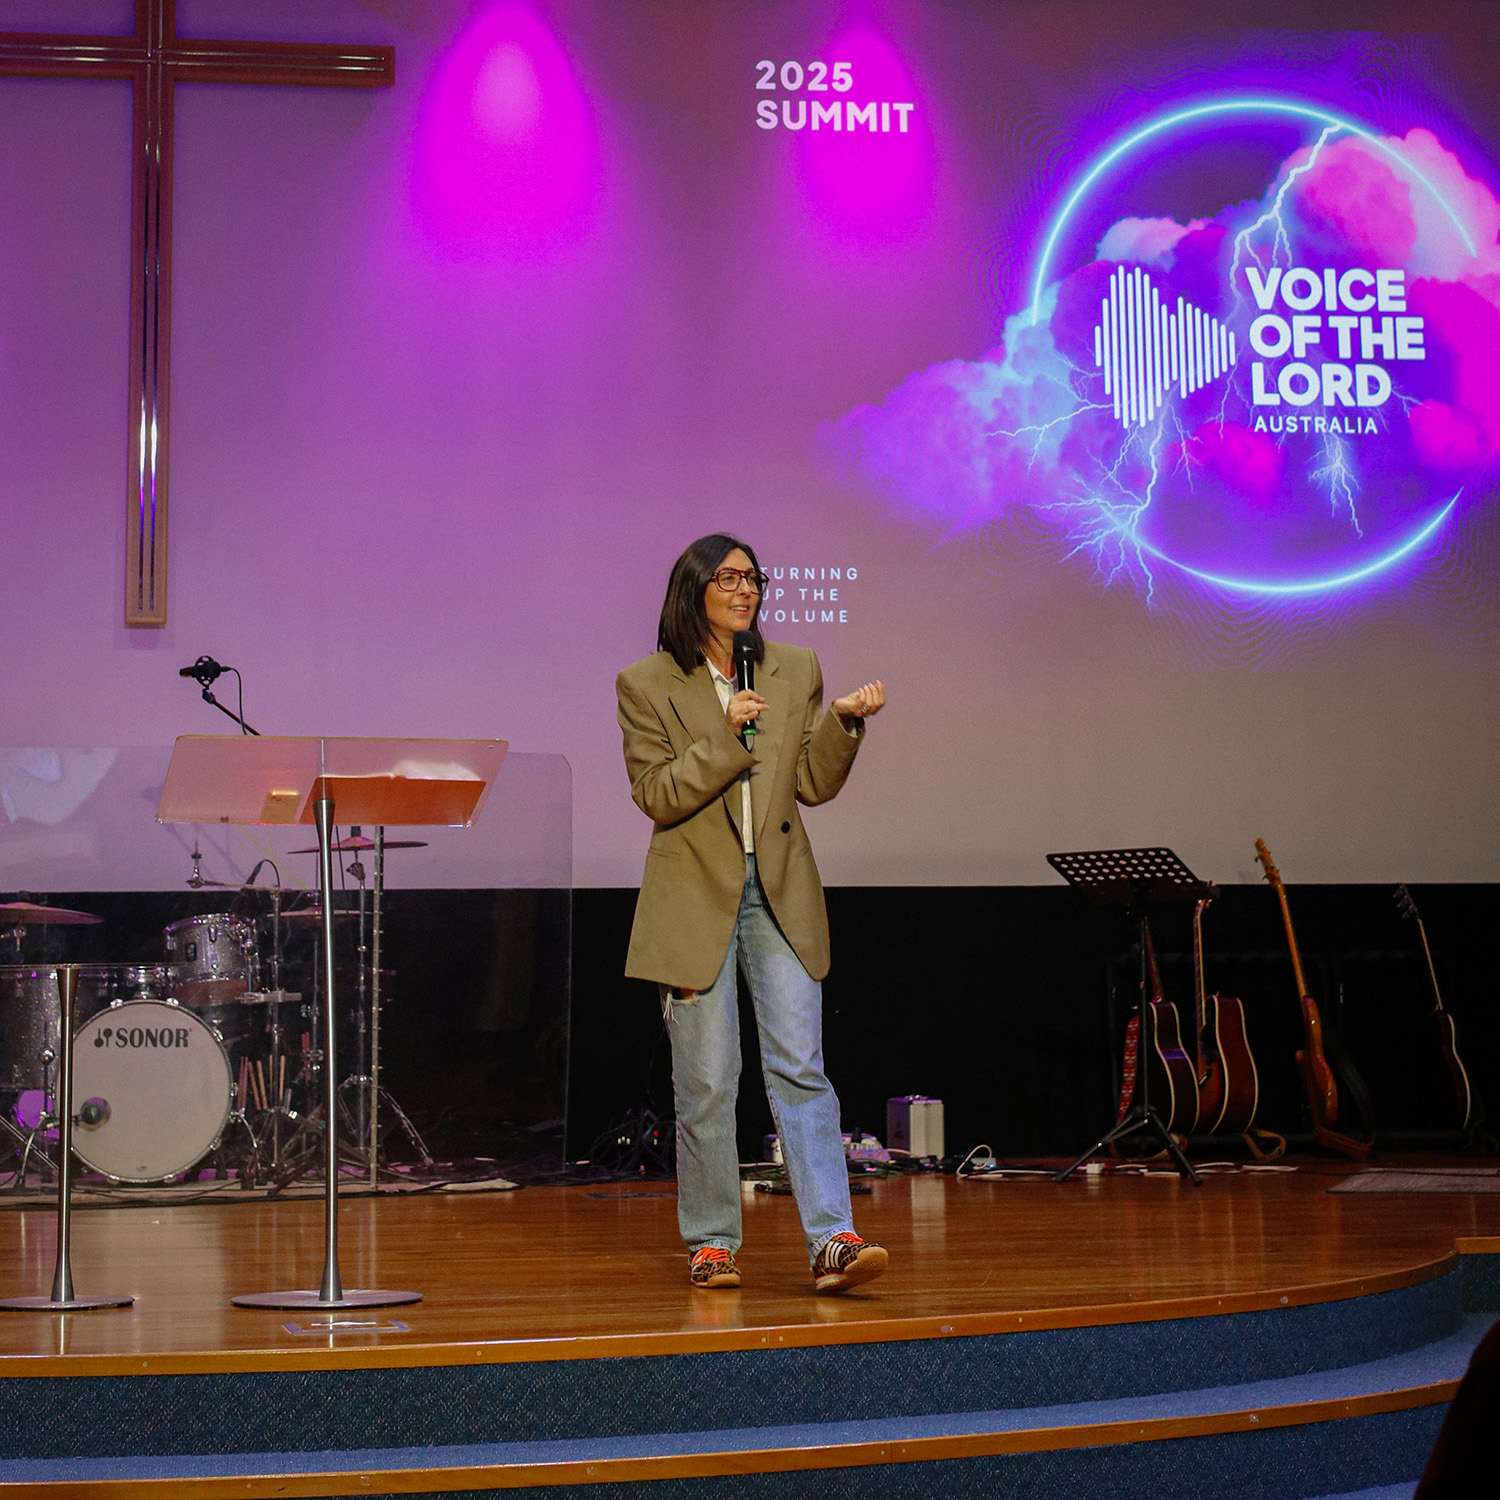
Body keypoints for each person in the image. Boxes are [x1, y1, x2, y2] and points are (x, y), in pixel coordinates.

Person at [616, 534, 888, 1294]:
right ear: (694, 589)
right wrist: (725, 733)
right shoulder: (645, 683)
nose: (747, 591)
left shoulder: (793, 668)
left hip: (779, 892)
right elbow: (657, 792)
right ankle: (711, 1242)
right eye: (729, 578)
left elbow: (810, 783)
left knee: (801, 1068)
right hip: (694, 899)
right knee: (707, 1081)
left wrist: (841, 725)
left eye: (754, 578)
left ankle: (833, 1239)